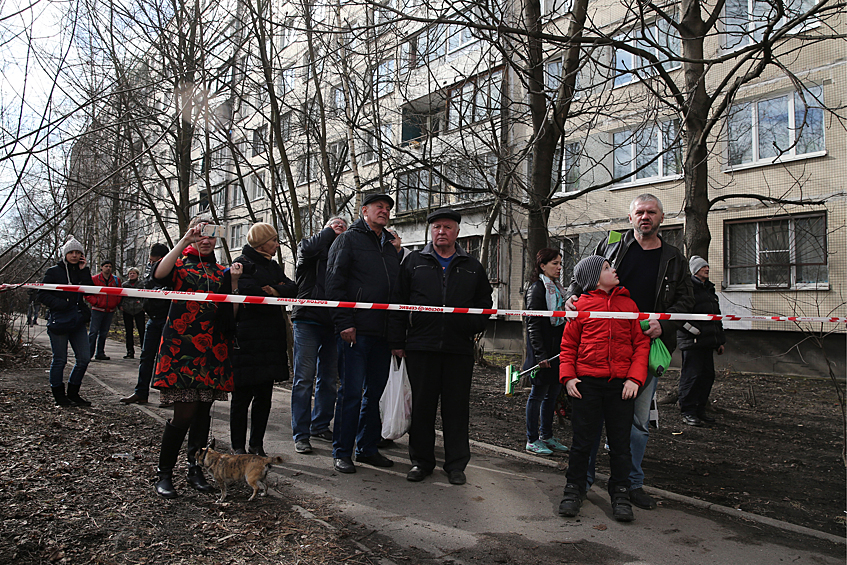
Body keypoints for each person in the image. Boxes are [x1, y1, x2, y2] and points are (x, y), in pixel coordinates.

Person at [566, 193, 693, 510]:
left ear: (662, 218)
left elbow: (689, 303)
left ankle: (630, 485)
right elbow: (582, 275)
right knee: (592, 426)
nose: (645, 217)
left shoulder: (675, 258)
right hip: (598, 352)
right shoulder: (610, 247)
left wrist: (664, 326)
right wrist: (571, 297)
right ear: (631, 217)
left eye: (651, 212)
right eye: (639, 212)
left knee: (636, 423)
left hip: (643, 350)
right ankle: (582, 483)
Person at [389, 208, 493, 485]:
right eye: (436, 227)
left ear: (457, 232)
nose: (441, 232)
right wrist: (398, 341)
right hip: (421, 346)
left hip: (458, 348)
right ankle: (421, 462)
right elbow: (398, 303)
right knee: (422, 407)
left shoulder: (471, 266)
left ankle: (456, 465)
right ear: (430, 231)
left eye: (447, 227)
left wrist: (470, 327)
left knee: (456, 409)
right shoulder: (414, 263)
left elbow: (485, 304)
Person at [151, 215, 243, 499]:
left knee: (203, 413)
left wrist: (235, 284)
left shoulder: (220, 272)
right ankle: (164, 473)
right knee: (184, 413)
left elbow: (231, 316)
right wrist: (184, 241)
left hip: (212, 350)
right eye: (201, 234)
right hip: (181, 349)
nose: (206, 239)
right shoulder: (179, 264)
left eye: (211, 235)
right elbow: (158, 275)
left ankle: (195, 469)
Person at [558, 256, 650, 522]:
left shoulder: (629, 305)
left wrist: (634, 379)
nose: (614, 270)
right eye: (607, 268)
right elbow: (568, 347)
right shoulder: (581, 307)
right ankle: (573, 489)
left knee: (621, 444)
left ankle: (620, 493)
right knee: (582, 442)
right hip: (586, 385)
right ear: (594, 278)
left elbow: (641, 346)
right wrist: (569, 378)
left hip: (621, 387)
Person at [325, 194, 400, 474]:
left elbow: (395, 294)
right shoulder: (348, 240)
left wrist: (396, 337)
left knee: (374, 395)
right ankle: (342, 452)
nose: (384, 211)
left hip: (382, 334)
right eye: (378, 207)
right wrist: (344, 322)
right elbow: (334, 283)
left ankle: (367, 448)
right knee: (351, 394)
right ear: (364, 211)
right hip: (355, 332)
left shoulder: (389, 247)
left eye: (388, 208)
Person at [230, 222, 298, 457]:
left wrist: (276, 290)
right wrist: (268, 290)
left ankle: (256, 445)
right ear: (261, 242)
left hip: (270, 339)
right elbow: (251, 294)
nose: (277, 245)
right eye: (273, 241)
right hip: (247, 339)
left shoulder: (273, 265)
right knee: (241, 398)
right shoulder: (242, 263)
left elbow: (293, 287)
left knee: (264, 397)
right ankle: (238, 446)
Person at [290, 217, 347, 455]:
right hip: (307, 319)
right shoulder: (311, 249)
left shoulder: (345, 251)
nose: (339, 228)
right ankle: (300, 434)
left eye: (344, 226)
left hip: (333, 321)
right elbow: (307, 248)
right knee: (304, 379)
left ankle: (320, 425)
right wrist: (328, 230)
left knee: (329, 378)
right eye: (335, 225)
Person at [523, 248, 569, 456]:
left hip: (558, 350)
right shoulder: (537, 289)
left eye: (560, 263)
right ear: (542, 266)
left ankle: (546, 435)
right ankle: (532, 439)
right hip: (543, 352)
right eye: (555, 264)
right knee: (538, 394)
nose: (559, 267)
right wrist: (540, 354)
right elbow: (533, 324)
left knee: (552, 394)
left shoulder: (558, 289)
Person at [39, 235, 95, 406]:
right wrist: (61, 304)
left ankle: (73, 392)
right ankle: (59, 395)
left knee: (84, 358)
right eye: (71, 252)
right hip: (59, 321)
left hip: (77, 321)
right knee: (60, 359)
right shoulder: (54, 271)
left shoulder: (81, 271)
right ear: (65, 254)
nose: (75, 255)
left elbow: (90, 292)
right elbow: (42, 293)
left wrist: (84, 271)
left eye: (78, 252)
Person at [677, 256, 726, 426]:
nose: (707, 268)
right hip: (693, 342)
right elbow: (679, 316)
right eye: (703, 266)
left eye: (707, 265)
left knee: (707, 377)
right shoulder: (687, 289)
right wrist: (694, 331)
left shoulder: (709, 290)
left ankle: (699, 410)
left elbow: (716, 317)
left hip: (707, 342)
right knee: (692, 377)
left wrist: (720, 341)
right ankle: (687, 411)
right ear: (695, 270)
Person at [120, 243, 170, 406]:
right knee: (146, 357)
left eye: (152, 260)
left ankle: (166, 395)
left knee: (165, 358)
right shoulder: (151, 272)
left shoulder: (170, 271)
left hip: (167, 319)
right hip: (153, 319)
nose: (150, 263)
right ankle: (141, 392)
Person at [85, 260, 122, 360]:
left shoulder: (116, 280)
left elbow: (119, 293)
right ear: (101, 267)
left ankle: (100, 353)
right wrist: (96, 302)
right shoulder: (94, 279)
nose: (108, 268)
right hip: (97, 309)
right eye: (106, 266)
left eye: (110, 266)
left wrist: (115, 303)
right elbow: (87, 293)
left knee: (104, 333)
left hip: (109, 310)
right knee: (93, 333)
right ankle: (88, 354)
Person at [120, 267, 146, 359]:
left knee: (142, 330)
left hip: (139, 309)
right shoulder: (124, 285)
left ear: (137, 274)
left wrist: (143, 306)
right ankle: (130, 351)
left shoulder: (142, 284)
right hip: (127, 309)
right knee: (128, 331)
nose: (132, 275)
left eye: (134, 273)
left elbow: (145, 296)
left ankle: (144, 350)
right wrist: (121, 305)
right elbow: (121, 296)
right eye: (130, 273)